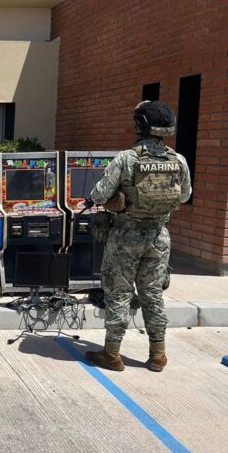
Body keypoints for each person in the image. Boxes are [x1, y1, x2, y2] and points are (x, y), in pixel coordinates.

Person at [85, 100, 192, 372]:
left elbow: (99, 194)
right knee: (153, 295)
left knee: (119, 294)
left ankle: (112, 354)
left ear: (140, 125)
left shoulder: (127, 158)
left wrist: (113, 200)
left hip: (125, 238)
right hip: (158, 237)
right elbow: (184, 196)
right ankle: (158, 355)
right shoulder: (178, 160)